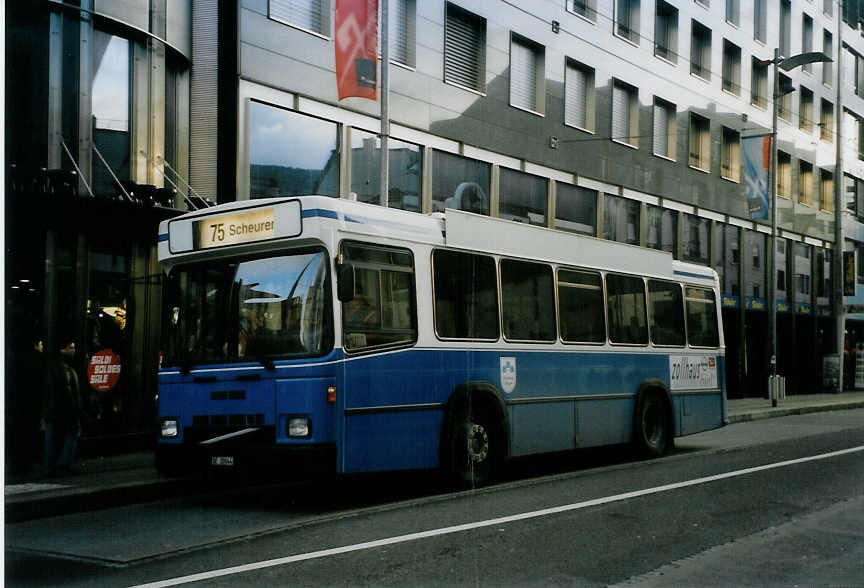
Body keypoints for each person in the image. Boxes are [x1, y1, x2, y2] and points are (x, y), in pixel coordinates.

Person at [42, 339, 83, 476]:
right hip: (61, 409)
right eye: (70, 347)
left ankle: (51, 466)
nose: (73, 350)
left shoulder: (56, 367)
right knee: (70, 433)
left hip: (52, 409)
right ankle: (61, 464)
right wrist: (76, 409)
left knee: (52, 436)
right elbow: (67, 391)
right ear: (62, 350)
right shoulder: (64, 369)